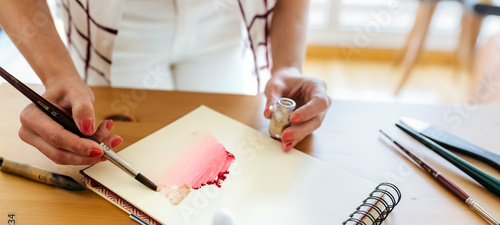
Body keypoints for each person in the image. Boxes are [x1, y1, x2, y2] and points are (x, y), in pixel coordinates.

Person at [0, 0, 330, 165]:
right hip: (117, 20)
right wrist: (57, 74)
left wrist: (286, 66)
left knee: (228, 152)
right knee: (124, 159)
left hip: (224, 17)